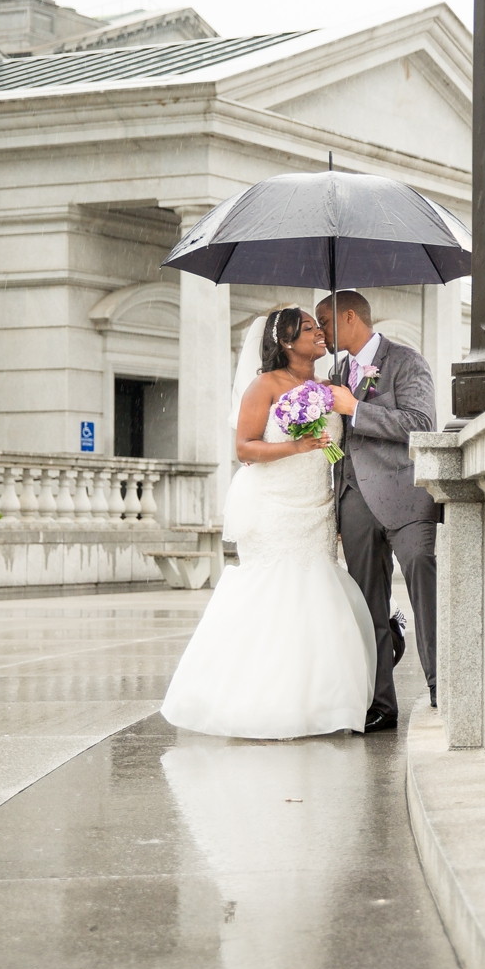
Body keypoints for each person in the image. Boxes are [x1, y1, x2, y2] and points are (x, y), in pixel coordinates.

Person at [160, 307, 377, 738]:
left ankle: (317, 702)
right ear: (285, 342)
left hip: (317, 504)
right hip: (275, 506)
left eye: (320, 328)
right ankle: (261, 701)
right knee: (277, 591)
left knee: (315, 593)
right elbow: (245, 448)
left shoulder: (328, 386)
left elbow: (337, 447)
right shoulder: (265, 385)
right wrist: (298, 448)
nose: (320, 334)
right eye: (310, 329)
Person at [319, 290, 441, 732]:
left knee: (424, 588)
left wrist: (355, 408)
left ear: (350, 317)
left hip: (405, 497)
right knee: (367, 606)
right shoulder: (334, 372)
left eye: (326, 322)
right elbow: (338, 442)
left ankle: (440, 687)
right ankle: (380, 705)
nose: (322, 333)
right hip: (354, 500)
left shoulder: (406, 361)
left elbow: (420, 423)